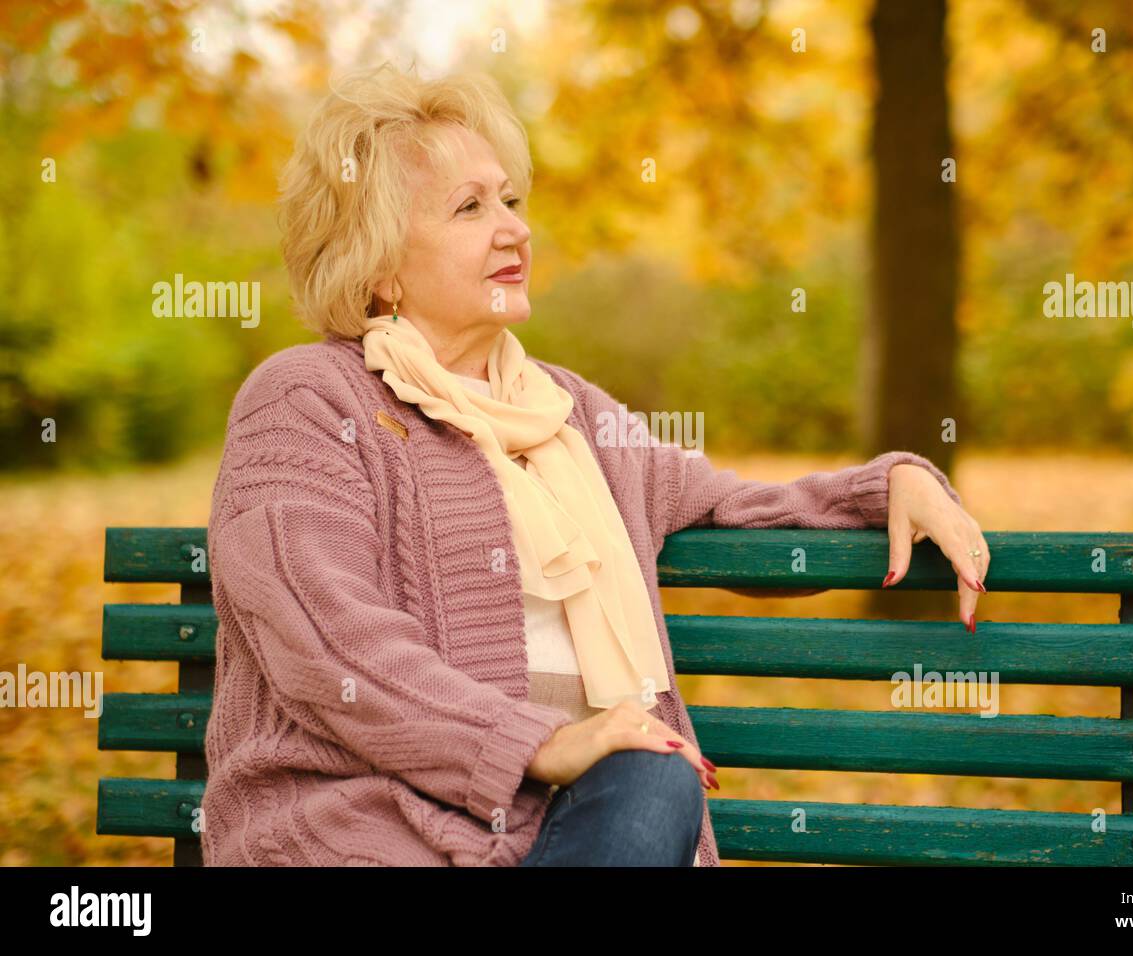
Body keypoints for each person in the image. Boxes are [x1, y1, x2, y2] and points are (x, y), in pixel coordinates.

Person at [199, 62, 990, 867]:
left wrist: (891, 482)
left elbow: (733, 505)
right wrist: (538, 742)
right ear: (379, 267)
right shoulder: (306, 401)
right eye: (469, 209)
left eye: (510, 200)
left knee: (655, 774)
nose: (514, 229)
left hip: (572, 841)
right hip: (363, 835)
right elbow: (328, 647)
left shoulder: (567, 413)